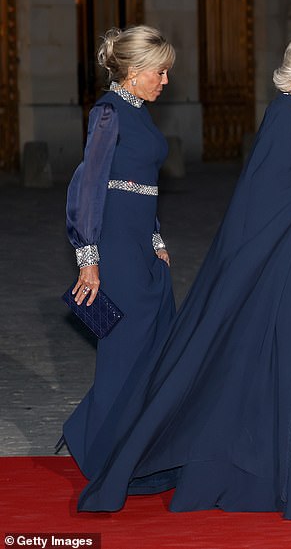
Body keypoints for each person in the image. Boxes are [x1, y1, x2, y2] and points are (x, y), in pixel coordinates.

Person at [74, 20, 291, 519]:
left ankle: (289, 480)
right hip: (283, 269)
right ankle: (290, 489)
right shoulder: (284, 117)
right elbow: (267, 199)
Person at [62, 25, 177, 478]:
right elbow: (89, 185)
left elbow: (141, 187)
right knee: (125, 349)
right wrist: (88, 260)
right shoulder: (108, 113)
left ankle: (106, 438)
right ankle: (104, 456)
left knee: (154, 346)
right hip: (114, 247)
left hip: (140, 245)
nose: (165, 81)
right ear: (132, 71)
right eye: (159, 72)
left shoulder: (141, 113)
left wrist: (156, 239)